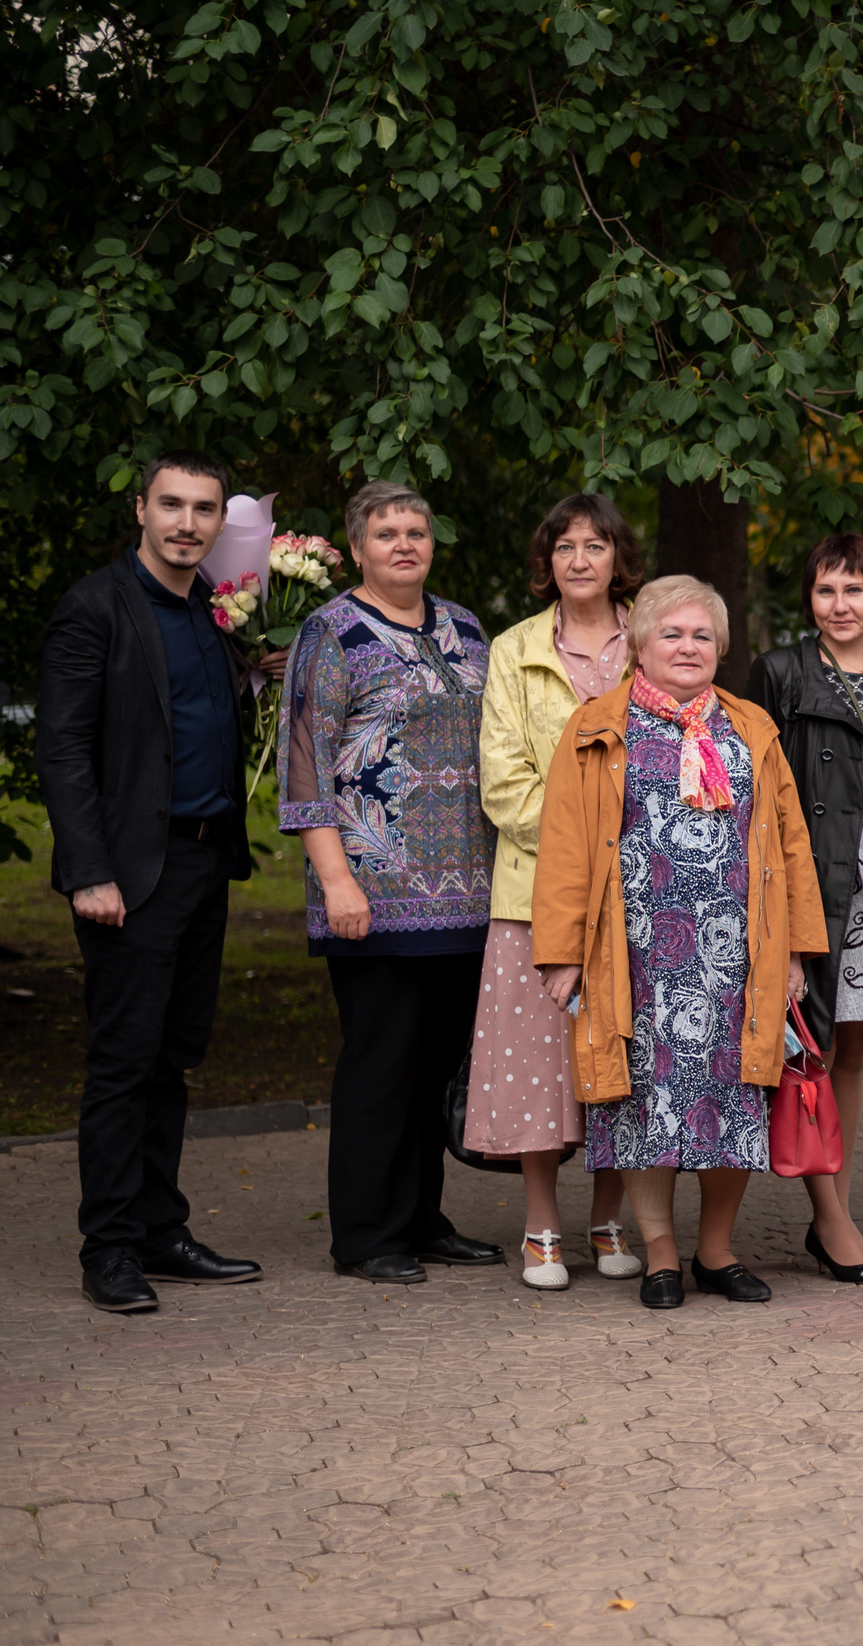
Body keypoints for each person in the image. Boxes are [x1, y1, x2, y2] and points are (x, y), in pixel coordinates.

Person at [531, 576, 823, 1310]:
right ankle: (661, 1252)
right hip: (635, 957)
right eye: (672, 633)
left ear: (720, 647)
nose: (688, 647)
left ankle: (716, 1250)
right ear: (639, 644)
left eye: (701, 635)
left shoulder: (752, 727)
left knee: (736, 1097)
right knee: (641, 1105)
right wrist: (563, 951)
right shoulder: (597, 725)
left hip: (737, 957)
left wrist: (794, 951)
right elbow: (566, 844)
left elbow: (791, 842)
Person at [38, 451, 265, 1313]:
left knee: (175, 1059)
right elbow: (61, 748)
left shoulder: (213, 612)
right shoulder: (94, 608)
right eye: (171, 504)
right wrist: (89, 870)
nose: (187, 522)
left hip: (205, 863)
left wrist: (260, 671)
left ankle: (161, 1227)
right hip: (130, 874)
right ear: (140, 508)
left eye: (204, 509)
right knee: (124, 1063)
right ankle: (110, 1249)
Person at [279, 480, 503, 1286]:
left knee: (436, 1063)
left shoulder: (466, 626)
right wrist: (335, 879)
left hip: (468, 895)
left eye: (416, 530)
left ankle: (422, 1219)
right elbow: (305, 763)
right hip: (372, 890)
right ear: (360, 546)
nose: (404, 543)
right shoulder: (330, 631)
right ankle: (368, 1235)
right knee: (381, 1062)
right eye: (386, 533)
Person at [470, 493, 641, 1291]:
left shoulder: (654, 632)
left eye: (595, 544)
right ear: (548, 561)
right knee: (539, 1064)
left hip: (645, 889)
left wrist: (626, 845)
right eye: (565, 545)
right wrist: (592, 841)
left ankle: (609, 1217)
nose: (580, 559)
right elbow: (504, 784)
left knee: (625, 1060)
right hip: (535, 894)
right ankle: (541, 1224)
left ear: (617, 557)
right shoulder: (512, 649)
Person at [748, 533, 863, 1286]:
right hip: (813, 870)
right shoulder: (782, 671)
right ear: (809, 600)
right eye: (826, 590)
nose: (841, 604)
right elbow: (759, 790)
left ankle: (838, 1212)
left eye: (855, 589)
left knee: (850, 1050)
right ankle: (830, 1219)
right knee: (810, 1047)